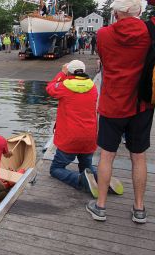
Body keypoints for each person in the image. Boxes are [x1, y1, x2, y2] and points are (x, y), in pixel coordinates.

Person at [86, 0, 153, 224]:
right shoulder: (149, 32)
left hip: (113, 103)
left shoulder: (104, 34)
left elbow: (104, 61)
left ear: (118, 12)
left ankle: (101, 206)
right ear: (139, 11)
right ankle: (139, 209)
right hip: (141, 105)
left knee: (107, 155)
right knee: (139, 157)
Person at [46, 60, 100, 197]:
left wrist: (62, 73)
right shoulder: (92, 87)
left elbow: (50, 88)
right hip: (89, 137)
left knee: (56, 169)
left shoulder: (64, 87)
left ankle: (79, 180)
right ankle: (99, 177)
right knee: (86, 167)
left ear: (69, 72)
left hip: (69, 138)